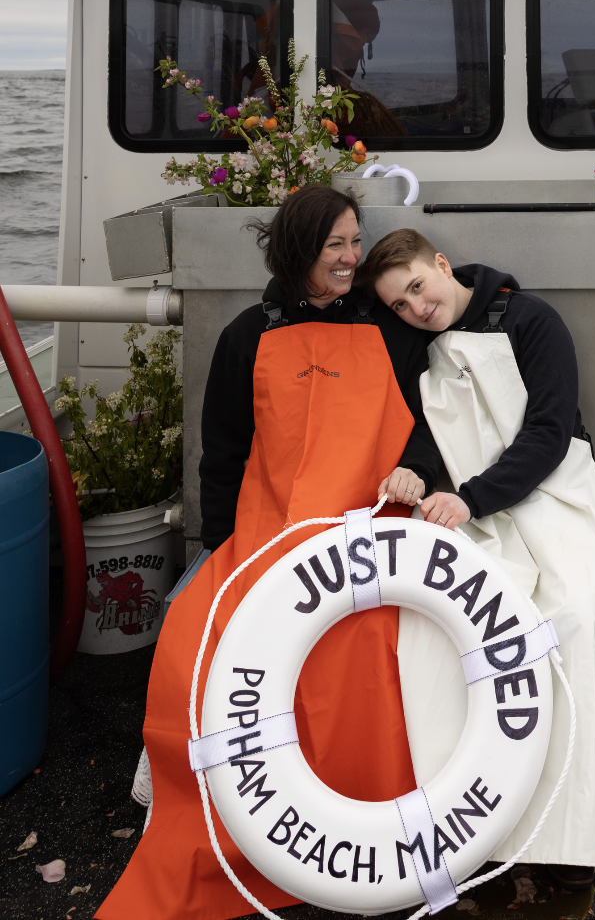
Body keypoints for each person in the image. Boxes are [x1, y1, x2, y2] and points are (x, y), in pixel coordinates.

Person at [98, 185, 440, 920]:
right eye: (335, 247)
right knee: (199, 634)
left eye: (355, 242)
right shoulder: (245, 335)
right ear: (297, 252)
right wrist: (223, 547)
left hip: (368, 528)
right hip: (268, 532)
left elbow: (431, 421)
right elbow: (221, 453)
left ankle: (374, 824)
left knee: (370, 641)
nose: (351, 258)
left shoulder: (394, 330)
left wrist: (414, 472)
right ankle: (246, 827)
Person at [358, 228, 595, 891]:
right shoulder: (420, 354)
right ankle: (469, 824)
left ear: (442, 264)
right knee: (445, 632)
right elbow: (429, 439)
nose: (415, 308)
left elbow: (549, 431)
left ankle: (563, 840)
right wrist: (410, 474)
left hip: (554, 496)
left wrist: (470, 499)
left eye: (418, 288)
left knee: (576, 617)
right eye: (398, 305)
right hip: (475, 516)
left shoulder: (531, 319)